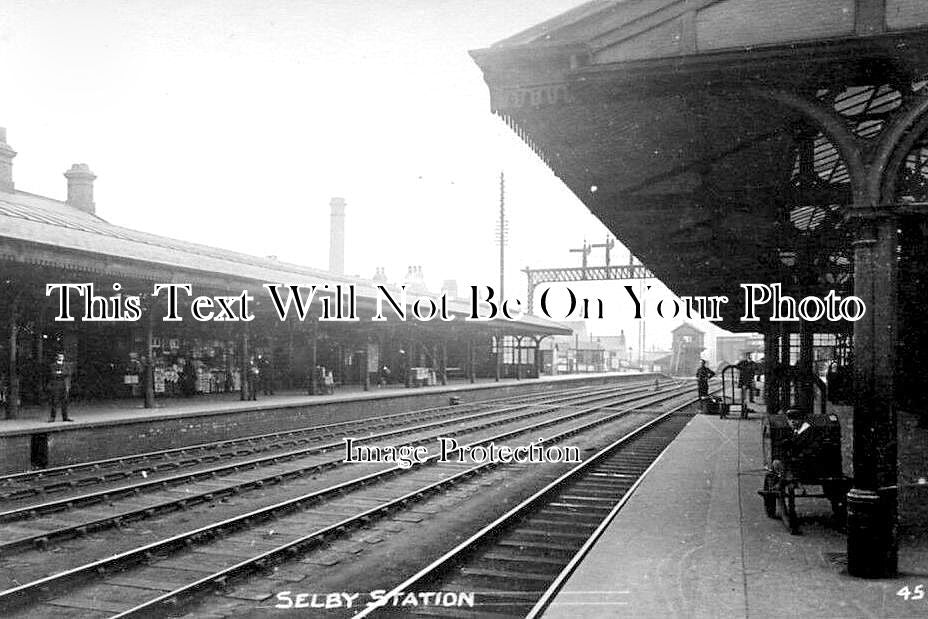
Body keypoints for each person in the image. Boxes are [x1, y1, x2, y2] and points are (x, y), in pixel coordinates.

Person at [47, 352, 73, 422]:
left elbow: (68, 373)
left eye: (62, 356)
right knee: (54, 401)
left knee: (65, 402)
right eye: (59, 356)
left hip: (64, 385)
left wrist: (60, 373)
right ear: (57, 357)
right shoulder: (53, 365)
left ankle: (65, 417)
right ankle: (52, 417)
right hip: (56, 385)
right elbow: (53, 374)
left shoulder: (66, 365)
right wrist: (62, 374)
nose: (61, 358)